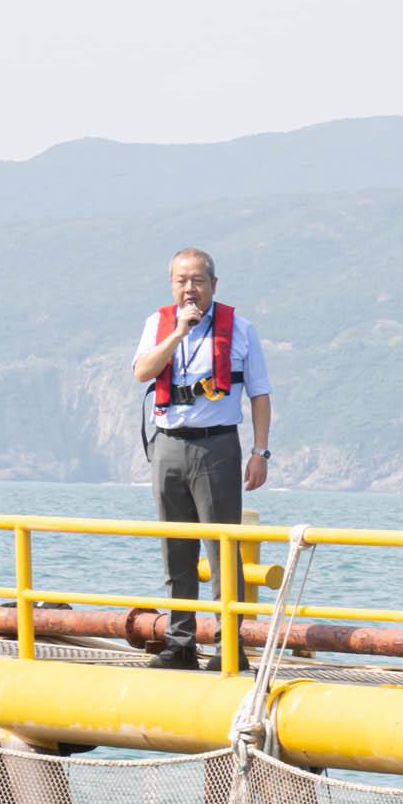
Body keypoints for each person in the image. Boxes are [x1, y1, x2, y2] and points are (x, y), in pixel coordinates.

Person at [130, 247, 272, 670]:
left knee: (221, 548)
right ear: (171, 284)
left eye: (197, 280)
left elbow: (260, 394)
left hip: (217, 446)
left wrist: (259, 452)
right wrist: (178, 334)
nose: (189, 289)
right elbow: (141, 372)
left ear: (213, 283)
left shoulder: (242, 330)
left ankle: (230, 644)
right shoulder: (158, 324)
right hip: (169, 443)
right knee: (175, 547)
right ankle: (181, 643)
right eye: (181, 280)